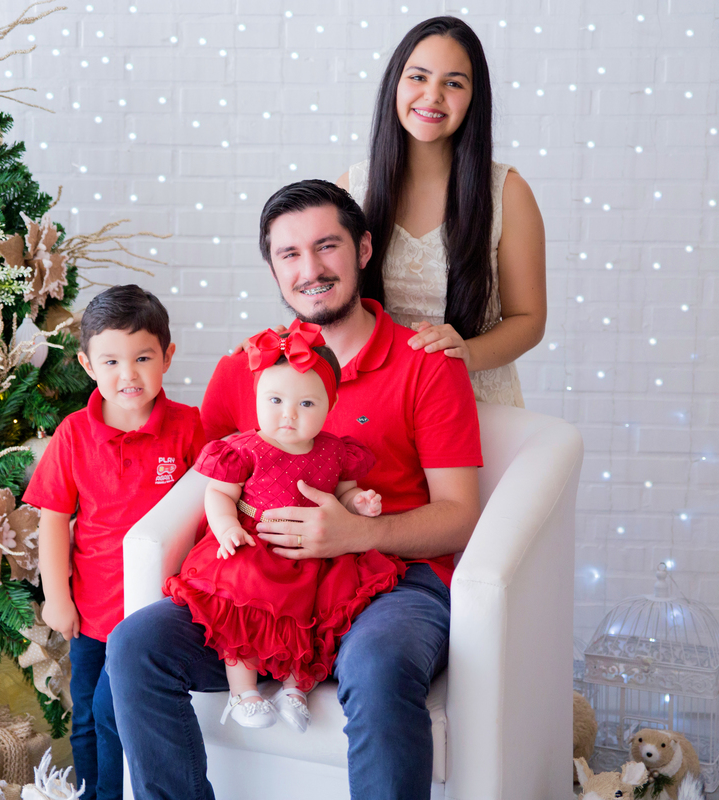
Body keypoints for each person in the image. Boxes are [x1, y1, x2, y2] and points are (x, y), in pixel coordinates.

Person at [107, 179, 483, 800]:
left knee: (379, 663)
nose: (310, 269)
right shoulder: (245, 369)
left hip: (392, 584)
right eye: (289, 254)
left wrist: (358, 533)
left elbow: (461, 515)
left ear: (364, 250)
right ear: (274, 268)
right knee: (135, 647)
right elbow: (210, 476)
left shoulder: (426, 362)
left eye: (327, 246)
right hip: (264, 587)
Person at [163, 322, 405, 732]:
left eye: (306, 404)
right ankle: (244, 692)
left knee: (309, 615)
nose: (288, 414)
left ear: (330, 404)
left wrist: (359, 504)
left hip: (313, 552)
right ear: (257, 396)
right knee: (242, 609)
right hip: (256, 543)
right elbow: (219, 493)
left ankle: (295, 688)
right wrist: (226, 527)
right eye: (275, 400)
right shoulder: (246, 449)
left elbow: (344, 493)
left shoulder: (335, 451)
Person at [22, 284, 206, 800]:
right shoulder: (73, 434)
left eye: (143, 358)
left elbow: (211, 507)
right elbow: (54, 519)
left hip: (159, 612)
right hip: (93, 612)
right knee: (88, 716)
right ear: (87, 365)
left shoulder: (189, 427)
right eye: (111, 362)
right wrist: (57, 598)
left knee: (116, 710)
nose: (129, 375)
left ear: (167, 356)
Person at [338, 15, 547, 407]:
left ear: (473, 98)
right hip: (381, 403)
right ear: (395, 84)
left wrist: (467, 353)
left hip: (476, 402)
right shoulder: (353, 188)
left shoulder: (507, 193)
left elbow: (529, 320)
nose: (432, 95)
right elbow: (327, 297)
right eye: (418, 77)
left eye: (453, 83)